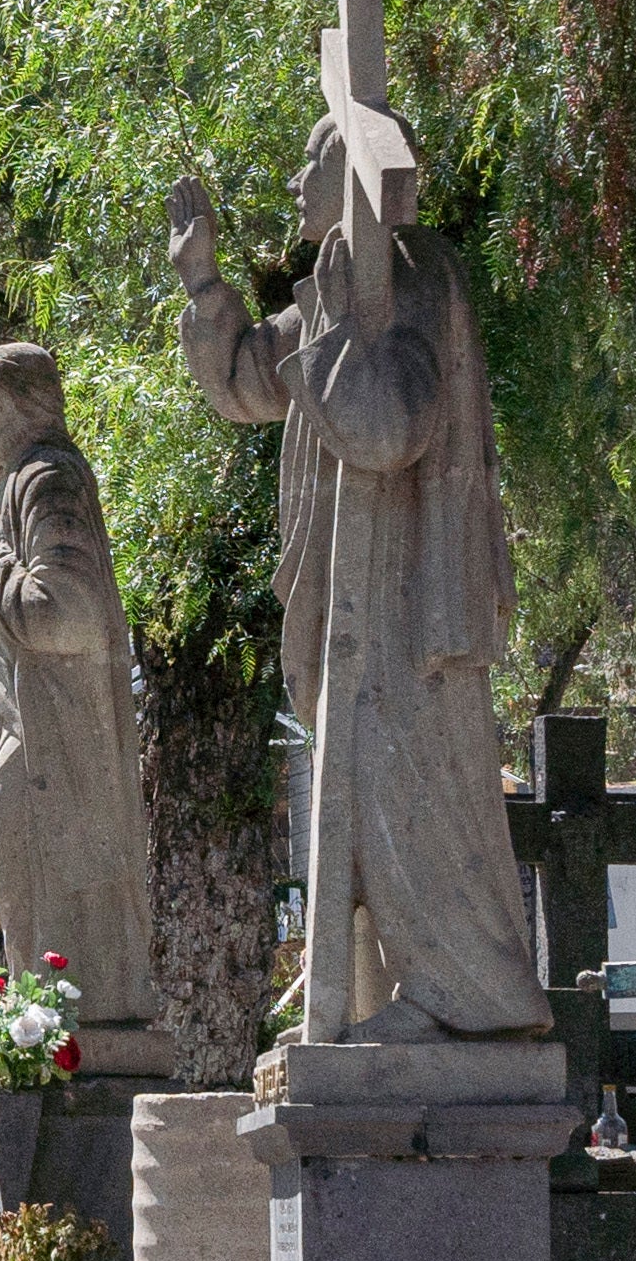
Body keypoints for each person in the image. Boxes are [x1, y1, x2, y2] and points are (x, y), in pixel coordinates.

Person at [176, 123, 549, 1047]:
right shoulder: (344, 281)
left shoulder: (412, 270)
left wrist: (340, 328)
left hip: (405, 600)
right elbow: (246, 383)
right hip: (354, 602)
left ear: (361, 174)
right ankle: (395, 996)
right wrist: (204, 286)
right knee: (368, 794)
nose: (300, 178)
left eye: (316, 160)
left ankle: (477, 998)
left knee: (414, 790)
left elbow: (388, 428)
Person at [0, 341, 158, 1027]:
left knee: (28, 859)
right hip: (29, 722)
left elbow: (62, 614)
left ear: (27, 401)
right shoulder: (12, 484)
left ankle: (76, 1018)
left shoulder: (48, 479)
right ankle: (41, 1019)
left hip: (61, 729)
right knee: (12, 859)